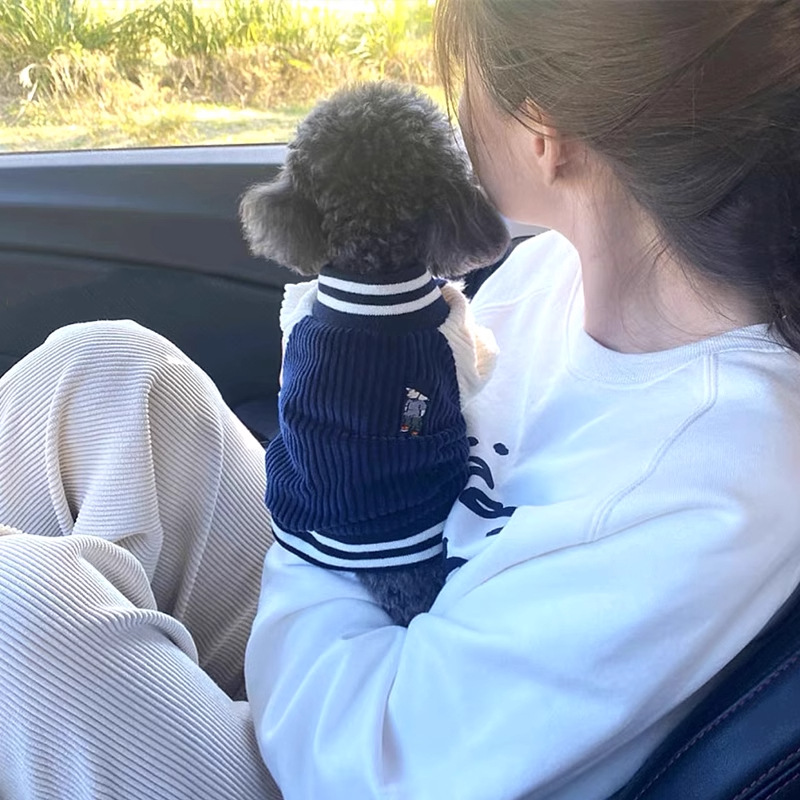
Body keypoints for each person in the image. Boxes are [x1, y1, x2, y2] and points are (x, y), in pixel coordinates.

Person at [1, 1, 799, 799]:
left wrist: (327, 505)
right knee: (106, 374)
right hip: (376, 635)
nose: (455, 111)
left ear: (544, 133)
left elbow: (368, 767)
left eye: (464, 81)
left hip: (357, 753)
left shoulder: (712, 482)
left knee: (21, 611)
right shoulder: (559, 268)